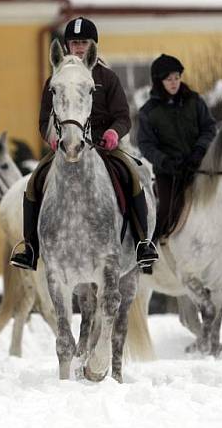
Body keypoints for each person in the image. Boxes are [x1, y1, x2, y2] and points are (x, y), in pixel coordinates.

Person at [9, 17, 158, 271]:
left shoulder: (106, 77)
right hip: (66, 146)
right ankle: (30, 247)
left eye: (84, 43)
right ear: (67, 46)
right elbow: (45, 118)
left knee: (133, 175)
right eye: (74, 43)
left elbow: (122, 115)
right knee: (34, 181)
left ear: (93, 47)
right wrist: (53, 138)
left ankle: (143, 242)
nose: (79, 48)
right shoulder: (55, 80)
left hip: (105, 147)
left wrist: (113, 132)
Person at [137, 54, 216, 241]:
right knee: (167, 211)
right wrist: (165, 161)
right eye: (168, 79)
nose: (174, 83)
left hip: (198, 166)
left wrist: (199, 151)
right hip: (169, 172)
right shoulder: (148, 111)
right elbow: (145, 144)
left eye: (177, 78)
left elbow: (209, 127)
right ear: (159, 82)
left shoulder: (195, 101)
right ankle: (152, 247)